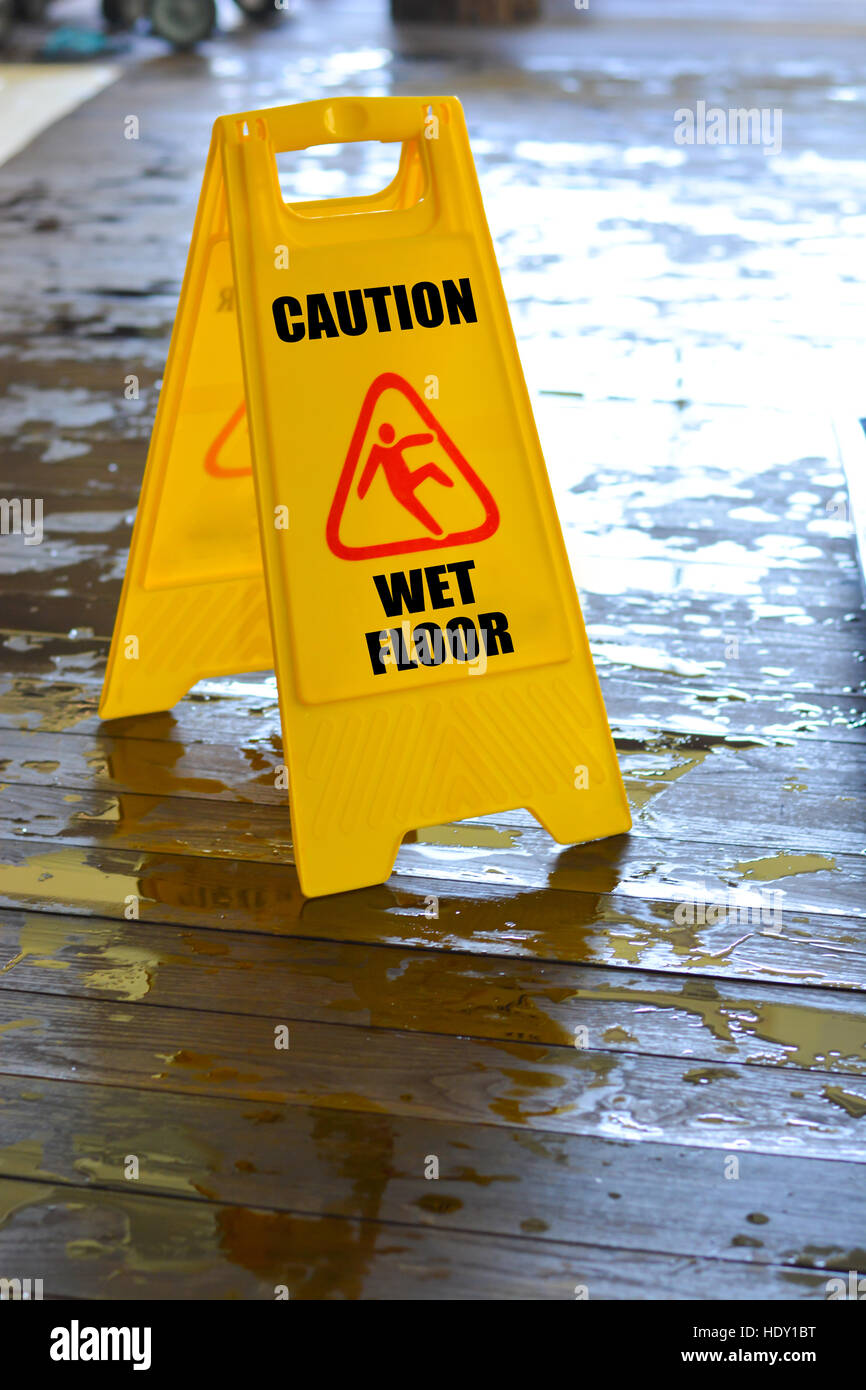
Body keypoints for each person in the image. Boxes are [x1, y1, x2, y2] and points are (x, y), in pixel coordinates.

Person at [357, 422, 454, 534]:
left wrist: (430, 437)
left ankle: (452, 486)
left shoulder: (397, 445)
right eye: (387, 433)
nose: (390, 435)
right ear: (381, 436)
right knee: (420, 512)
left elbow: (410, 441)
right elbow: (369, 470)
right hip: (399, 490)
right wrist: (361, 491)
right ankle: (438, 533)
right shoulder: (378, 451)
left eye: (390, 432)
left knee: (430, 468)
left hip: (409, 480)